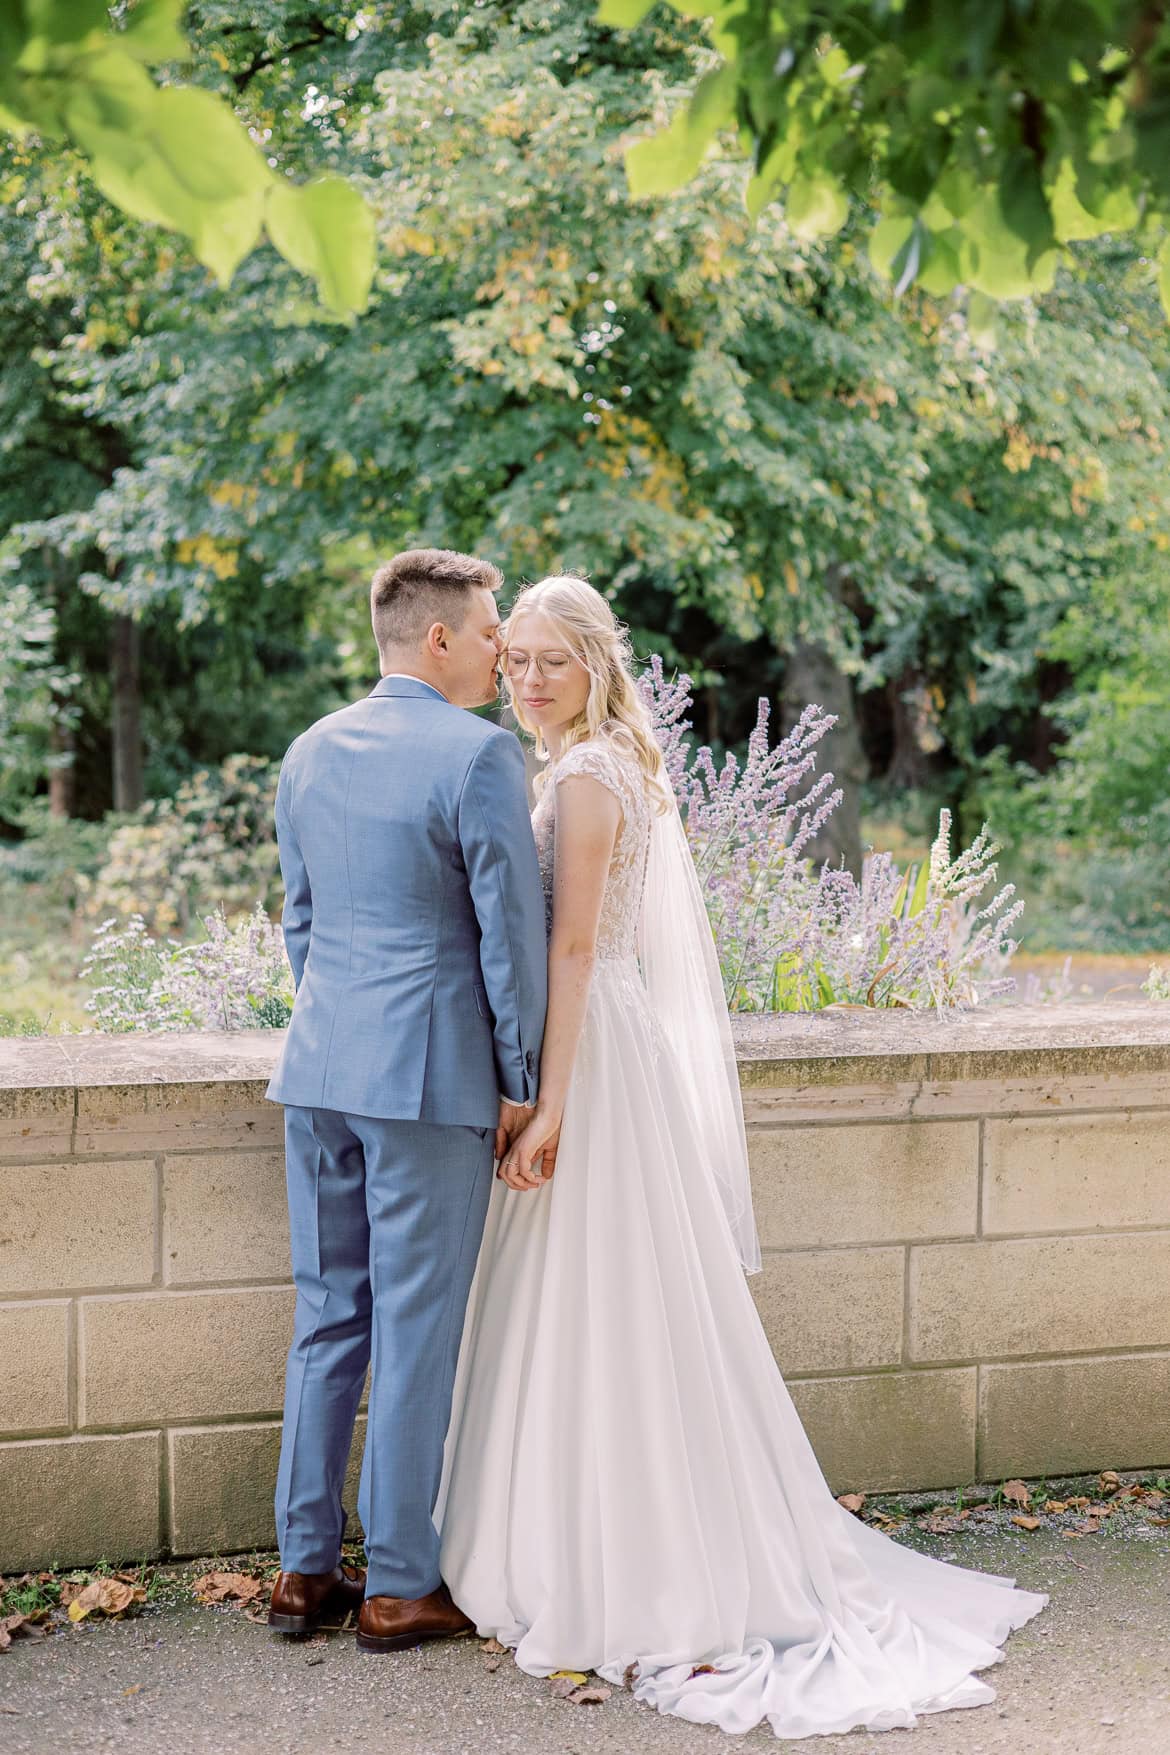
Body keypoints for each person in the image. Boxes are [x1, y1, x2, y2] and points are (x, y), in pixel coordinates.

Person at [436, 573, 1047, 1739]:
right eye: (514, 659)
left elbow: (570, 953)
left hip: (595, 1062)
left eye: (550, 660)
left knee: (602, 1301)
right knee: (600, 1304)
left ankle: (627, 1562)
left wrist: (547, 1100)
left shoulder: (585, 779)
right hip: (610, 1047)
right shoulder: (598, 766)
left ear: (599, 665)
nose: (526, 678)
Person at [264, 548, 548, 1652]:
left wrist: (338, 1025)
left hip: (321, 1068)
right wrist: (519, 1082)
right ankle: (396, 1584)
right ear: (437, 639)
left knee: (328, 1314)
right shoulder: (481, 757)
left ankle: (299, 1574)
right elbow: (508, 944)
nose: (497, 653)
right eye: (487, 634)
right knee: (416, 1326)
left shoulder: (309, 749)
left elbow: (300, 919)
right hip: (428, 1078)